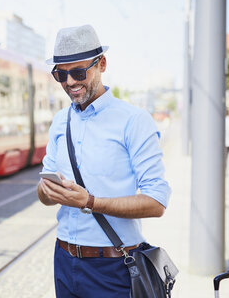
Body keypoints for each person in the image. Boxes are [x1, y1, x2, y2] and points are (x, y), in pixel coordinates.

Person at [37, 25, 171, 297]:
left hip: (114, 267)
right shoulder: (60, 121)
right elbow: (44, 194)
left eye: (78, 72)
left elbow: (156, 202)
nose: (70, 82)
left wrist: (89, 202)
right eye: (60, 74)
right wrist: (47, 191)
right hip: (64, 259)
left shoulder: (133, 120)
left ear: (102, 64)